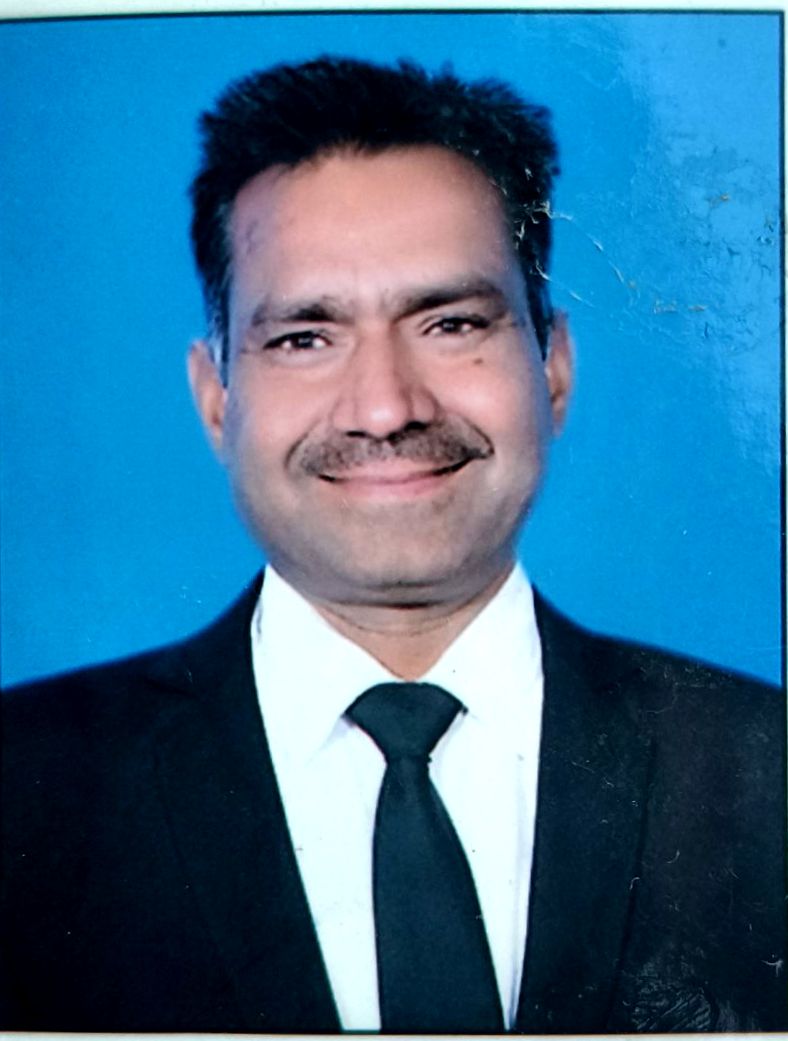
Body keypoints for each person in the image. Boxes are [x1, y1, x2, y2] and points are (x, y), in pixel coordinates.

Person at [2, 56, 785, 1034]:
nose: (384, 407)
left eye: (450, 322)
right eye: (304, 338)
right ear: (214, 399)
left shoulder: (761, 771)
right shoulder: (26, 790)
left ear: (552, 367)